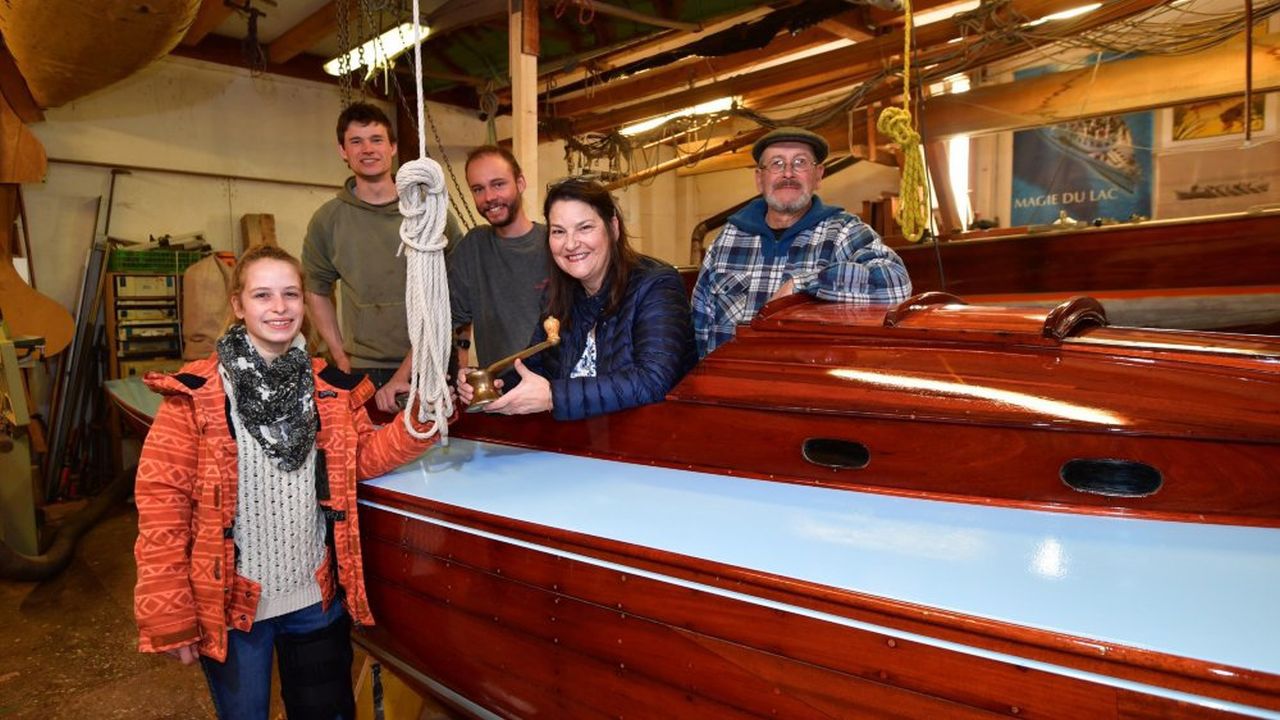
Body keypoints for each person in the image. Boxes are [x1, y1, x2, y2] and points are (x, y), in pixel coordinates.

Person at [134, 245, 446, 719]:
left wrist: (421, 418)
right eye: (263, 295)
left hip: (314, 602)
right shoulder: (195, 397)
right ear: (239, 305)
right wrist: (172, 616)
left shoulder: (330, 389)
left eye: (290, 295)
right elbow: (162, 509)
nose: (279, 308)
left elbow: (360, 458)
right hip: (234, 610)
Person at [457, 178, 695, 420]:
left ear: (613, 227)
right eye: (559, 232)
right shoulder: (557, 295)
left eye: (585, 228)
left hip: (649, 445)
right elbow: (533, 369)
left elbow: (652, 381)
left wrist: (553, 396)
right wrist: (492, 386)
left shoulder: (657, 285)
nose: (570, 244)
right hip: (579, 445)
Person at [691, 126, 913, 357]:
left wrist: (804, 286)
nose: (788, 173)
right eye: (776, 163)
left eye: (800, 163)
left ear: (818, 175)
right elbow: (700, 327)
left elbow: (896, 285)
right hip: (730, 386)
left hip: (810, 387)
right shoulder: (727, 240)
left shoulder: (844, 232)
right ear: (759, 178)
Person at [301, 102, 415, 413]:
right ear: (342, 151)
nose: (368, 149)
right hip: (365, 367)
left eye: (377, 140)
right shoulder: (328, 220)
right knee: (372, 457)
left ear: (392, 147)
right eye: (356, 141)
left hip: (428, 361)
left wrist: (458, 353)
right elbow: (315, 290)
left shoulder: (427, 214)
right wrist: (339, 354)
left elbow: (456, 292)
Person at [447, 145, 549, 369]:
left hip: (555, 390)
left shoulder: (554, 243)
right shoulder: (473, 248)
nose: (489, 197)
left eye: (498, 184)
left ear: (520, 183)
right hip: (498, 392)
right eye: (478, 189)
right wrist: (402, 377)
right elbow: (445, 321)